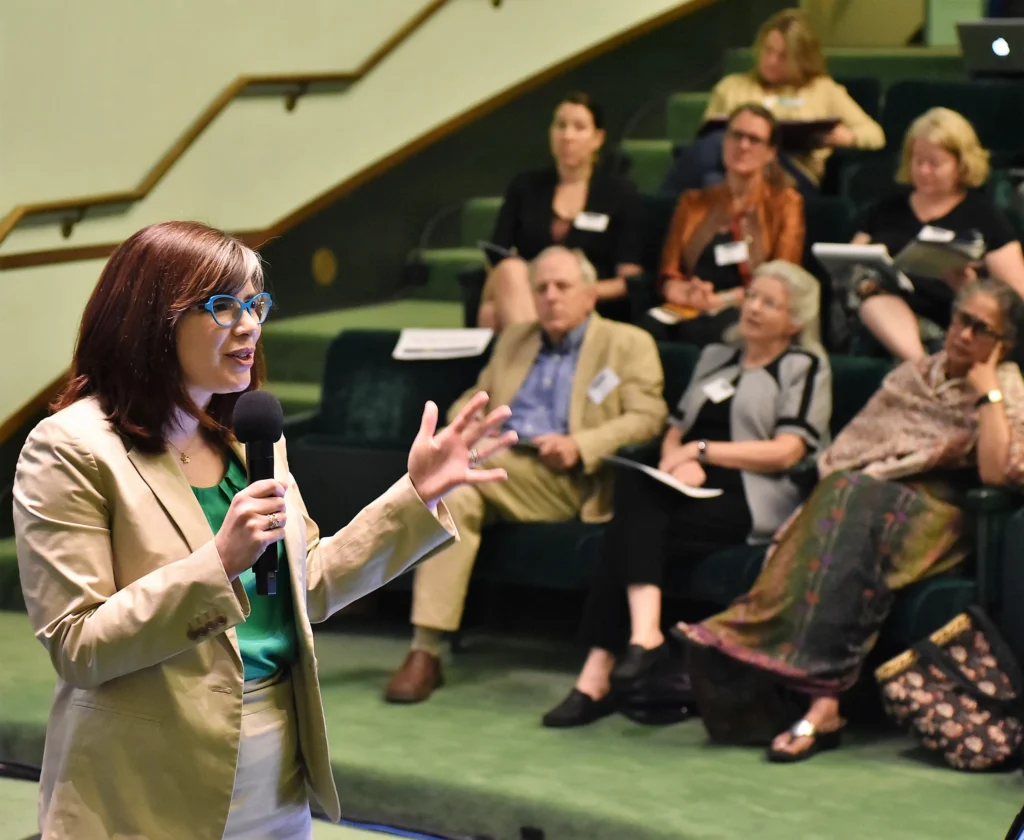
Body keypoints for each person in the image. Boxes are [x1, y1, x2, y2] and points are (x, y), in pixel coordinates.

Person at [12, 221, 518, 840]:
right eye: (224, 306)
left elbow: (311, 585)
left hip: (274, 769)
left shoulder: (247, 433)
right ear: (149, 319)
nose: (250, 324)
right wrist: (218, 561)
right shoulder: (70, 448)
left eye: (256, 303)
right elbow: (78, 645)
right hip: (143, 786)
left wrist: (416, 495)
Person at [676, 279, 1024, 763]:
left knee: (851, 499)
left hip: (942, 512)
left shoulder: (1008, 386)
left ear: (1002, 344)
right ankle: (824, 702)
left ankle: (750, 629)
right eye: (961, 320)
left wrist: (987, 394)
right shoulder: (911, 378)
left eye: (982, 329)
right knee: (847, 498)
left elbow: (995, 472)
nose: (964, 334)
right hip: (868, 500)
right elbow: (848, 452)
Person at [543, 261, 831, 727]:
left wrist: (704, 452)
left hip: (753, 493)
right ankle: (642, 638)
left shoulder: (805, 366)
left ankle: (597, 676)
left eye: (768, 302)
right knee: (635, 489)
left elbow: (787, 450)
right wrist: (674, 461)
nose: (752, 307)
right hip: (688, 485)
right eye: (751, 295)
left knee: (628, 532)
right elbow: (675, 428)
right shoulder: (717, 355)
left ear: (794, 321)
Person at [385, 245, 668, 704]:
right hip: (505, 465)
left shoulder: (627, 343)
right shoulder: (517, 339)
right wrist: (451, 434)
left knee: (454, 476)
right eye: (542, 288)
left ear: (591, 294)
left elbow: (647, 418)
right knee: (454, 492)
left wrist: (581, 445)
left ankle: (401, 617)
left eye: (563, 287)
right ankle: (425, 649)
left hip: (572, 477)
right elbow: (475, 398)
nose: (551, 297)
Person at [855, 107, 1024, 362]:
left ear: (961, 164)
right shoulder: (885, 209)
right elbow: (852, 259)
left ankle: (921, 366)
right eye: (917, 161)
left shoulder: (984, 216)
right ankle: (921, 365)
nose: (923, 171)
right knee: (872, 299)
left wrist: (969, 288)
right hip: (881, 314)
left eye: (935, 163)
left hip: (949, 320)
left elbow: (1017, 294)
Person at [660, 8, 884, 198]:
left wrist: (848, 137)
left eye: (782, 56)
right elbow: (707, 139)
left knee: (717, 145)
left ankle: (662, 204)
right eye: (767, 51)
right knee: (713, 176)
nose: (771, 61)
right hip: (734, 171)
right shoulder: (732, 86)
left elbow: (875, 135)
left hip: (791, 176)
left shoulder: (822, 89)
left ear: (802, 59)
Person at [478, 91, 643, 331]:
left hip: (591, 299)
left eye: (579, 127)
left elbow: (629, 280)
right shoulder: (525, 187)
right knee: (508, 273)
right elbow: (498, 256)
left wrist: (577, 291)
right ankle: (540, 357)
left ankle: (531, 357)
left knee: (491, 314)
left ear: (597, 138)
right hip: (531, 291)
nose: (567, 136)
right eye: (560, 126)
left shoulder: (620, 193)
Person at [653, 104, 805, 346]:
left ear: (770, 152)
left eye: (754, 140)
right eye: (736, 135)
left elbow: (782, 277)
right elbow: (670, 270)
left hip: (747, 304)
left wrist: (721, 300)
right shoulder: (693, 202)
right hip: (690, 303)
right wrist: (685, 292)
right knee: (646, 331)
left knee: (706, 332)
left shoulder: (786, 203)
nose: (743, 146)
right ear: (724, 141)